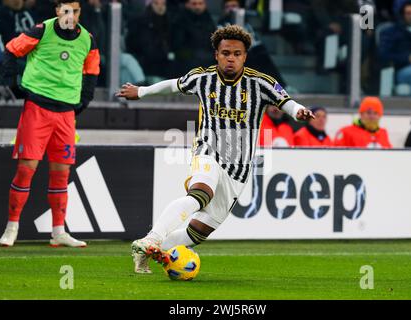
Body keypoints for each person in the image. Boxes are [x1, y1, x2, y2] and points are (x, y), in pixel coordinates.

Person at [116, 25, 315, 273]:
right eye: (225, 53)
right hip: (208, 150)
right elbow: (173, 85)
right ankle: (152, 239)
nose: (231, 58)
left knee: (197, 233)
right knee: (200, 195)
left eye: (237, 54)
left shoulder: (262, 83)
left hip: (239, 169)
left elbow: (286, 101)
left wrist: (299, 112)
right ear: (216, 55)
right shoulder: (203, 78)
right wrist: (142, 91)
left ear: (245, 56)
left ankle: (146, 252)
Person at [0, 0, 100, 247]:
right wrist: (13, 86)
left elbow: (91, 72)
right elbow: (11, 50)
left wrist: (82, 103)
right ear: (57, 11)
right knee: (26, 168)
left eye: (74, 11)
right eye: (65, 10)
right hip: (37, 109)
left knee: (61, 172)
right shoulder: (41, 30)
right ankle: (12, 227)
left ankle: (58, 231)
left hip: (66, 114)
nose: (70, 15)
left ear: (79, 12)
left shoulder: (88, 39)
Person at [379, 1, 411, 96]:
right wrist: (408, 58)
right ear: (402, 15)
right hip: (401, 70)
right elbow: (383, 55)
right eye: (408, 13)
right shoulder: (392, 32)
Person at [126, 0, 177, 79]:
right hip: (147, 64)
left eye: (163, 4)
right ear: (151, 4)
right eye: (156, 3)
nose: (160, 7)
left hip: (166, 65)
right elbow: (135, 44)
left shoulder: (169, 21)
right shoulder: (141, 22)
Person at [171, 0, 216, 74]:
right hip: (187, 66)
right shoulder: (179, 21)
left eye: (200, 3)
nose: (197, 7)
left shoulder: (209, 20)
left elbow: (213, 42)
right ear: (187, 4)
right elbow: (177, 47)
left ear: (205, 5)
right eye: (194, 4)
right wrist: (196, 55)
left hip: (208, 64)